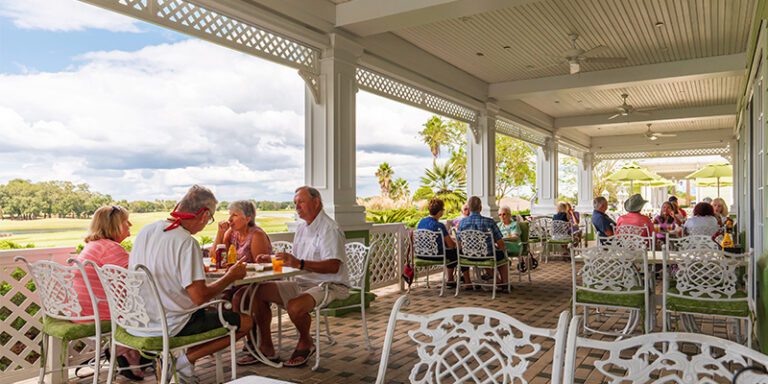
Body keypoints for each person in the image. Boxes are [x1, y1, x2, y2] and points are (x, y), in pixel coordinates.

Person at [130, 185, 253, 383]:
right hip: (170, 324)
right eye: (210, 218)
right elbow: (200, 297)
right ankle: (185, 361)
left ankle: (183, 369)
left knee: (207, 311)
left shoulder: (147, 230)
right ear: (204, 215)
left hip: (139, 320)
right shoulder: (185, 242)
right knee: (246, 322)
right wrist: (230, 276)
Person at [251, 186, 350, 368]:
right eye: (295, 203)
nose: (297, 206)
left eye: (301, 202)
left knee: (294, 306)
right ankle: (266, 346)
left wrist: (300, 264)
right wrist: (271, 259)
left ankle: (306, 342)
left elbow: (333, 265)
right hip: (302, 282)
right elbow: (296, 261)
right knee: (257, 291)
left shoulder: (329, 228)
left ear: (316, 202)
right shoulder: (302, 228)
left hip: (330, 284)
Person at [72, 205, 143, 380]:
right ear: (114, 225)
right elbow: (139, 279)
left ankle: (130, 352)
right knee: (154, 310)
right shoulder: (110, 249)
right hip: (97, 312)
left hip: (79, 309)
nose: (130, 225)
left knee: (141, 307)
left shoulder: (94, 246)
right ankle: (125, 350)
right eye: (126, 221)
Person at [212, 200, 273, 366]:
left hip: (259, 282)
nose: (230, 219)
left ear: (247, 218)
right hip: (238, 281)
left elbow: (262, 266)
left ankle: (257, 343)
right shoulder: (231, 233)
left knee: (240, 297)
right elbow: (215, 256)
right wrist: (220, 233)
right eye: (229, 215)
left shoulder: (257, 235)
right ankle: (221, 341)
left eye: (234, 215)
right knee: (216, 298)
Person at [416, 198, 471, 289]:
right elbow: (451, 245)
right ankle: (467, 282)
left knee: (452, 253)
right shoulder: (439, 226)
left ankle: (450, 279)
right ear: (440, 211)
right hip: (437, 256)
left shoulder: (421, 222)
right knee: (460, 253)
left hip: (421, 255)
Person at [457, 196, 509, 288]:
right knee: (501, 255)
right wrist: (499, 248)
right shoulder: (489, 222)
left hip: (467, 257)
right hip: (487, 256)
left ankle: (468, 282)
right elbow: (500, 243)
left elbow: (458, 243)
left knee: (461, 252)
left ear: (468, 208)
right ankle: (504, 283)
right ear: (480, 208)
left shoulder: (462, 223)